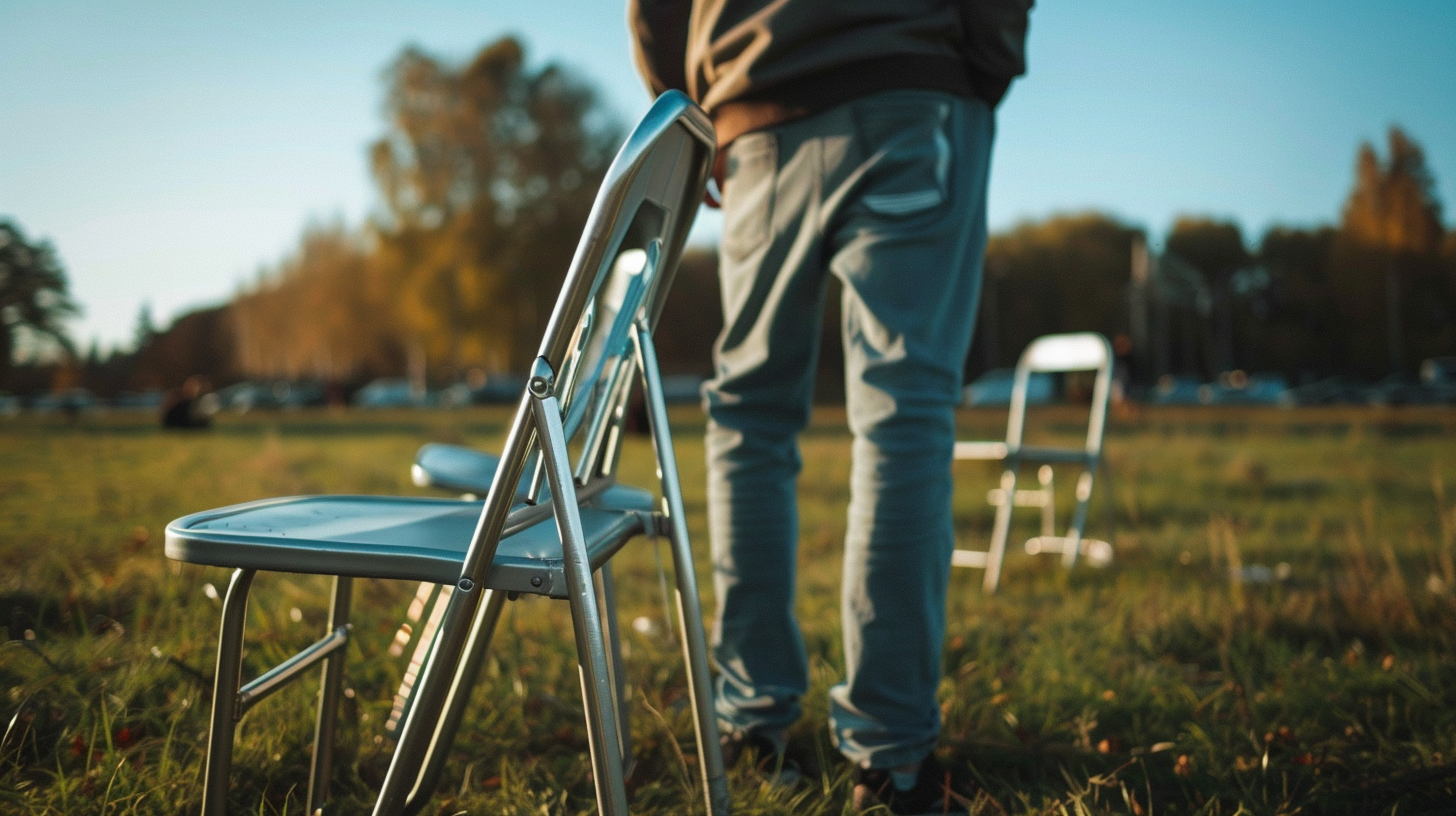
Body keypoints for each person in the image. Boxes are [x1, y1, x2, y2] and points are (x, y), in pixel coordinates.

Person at [629, 2, 1031, 812]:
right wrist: (984, 61)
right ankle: (890, 762)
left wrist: (688, 103)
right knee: (905, 415)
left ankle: (750, 723)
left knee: (749, 416)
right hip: (914, 79)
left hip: (754, 105)